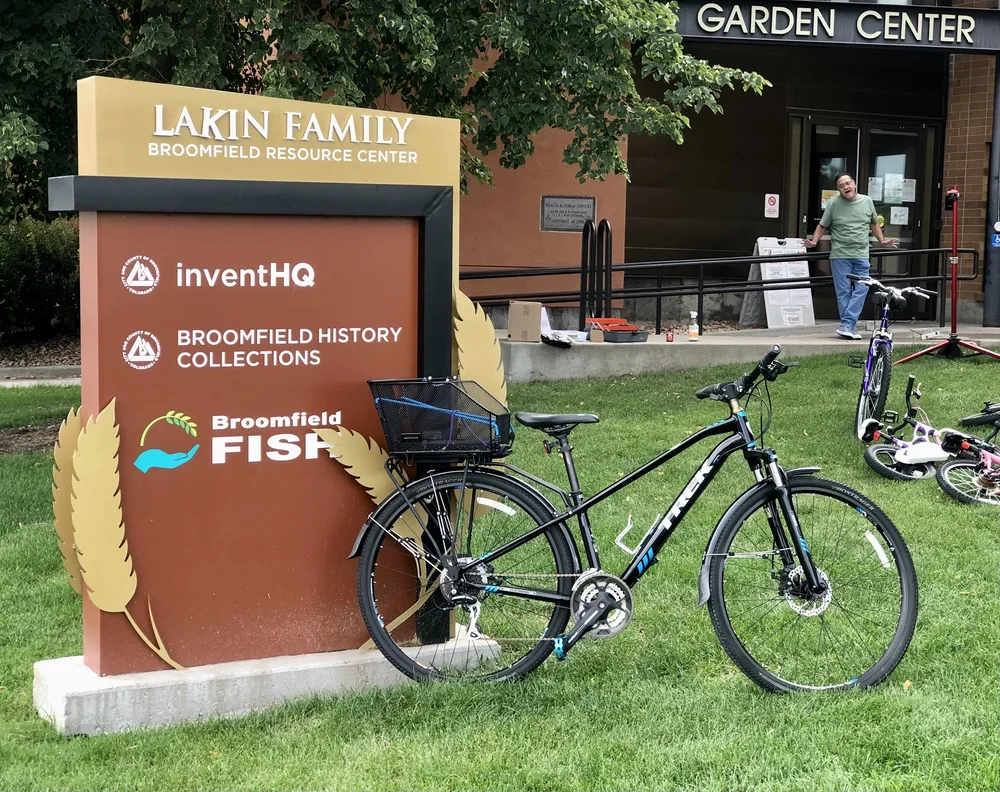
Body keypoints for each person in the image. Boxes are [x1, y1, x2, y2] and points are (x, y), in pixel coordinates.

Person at [804, 172, 898, 339]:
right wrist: (814, 241)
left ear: (854, 184)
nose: (846, 187)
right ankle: (849, 326)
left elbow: (874, 224)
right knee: (844, 291)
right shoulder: (833, 203)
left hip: (861, 254)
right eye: (841, 186)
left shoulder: (867, 201)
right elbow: (822, 226)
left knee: (862, 287)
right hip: (840, 255)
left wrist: (882, 242)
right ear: (838, 190)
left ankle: (847, 324)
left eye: (848, 183)